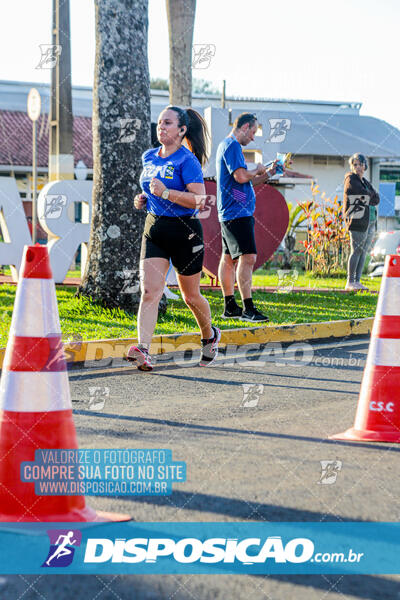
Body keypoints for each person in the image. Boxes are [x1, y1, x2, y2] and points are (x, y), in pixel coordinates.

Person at [126, 106, 220, 371]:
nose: (161, 127)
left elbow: (200, 200)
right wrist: (142, 199)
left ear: (181, 130)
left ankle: (209, 336)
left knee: (191, 296)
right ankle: (143, 349)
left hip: (184, 231)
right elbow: (149, 190)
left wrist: (167, 193)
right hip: (154, 228)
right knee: (149, 291)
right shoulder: (148, 157)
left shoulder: (186, 160)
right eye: (159, 123)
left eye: (167, 123)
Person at [216, 113, 277, 321]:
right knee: (248, 257)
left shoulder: (228, 147)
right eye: (252, 132)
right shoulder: (232, 146)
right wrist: (256, 168)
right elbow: (241, 176)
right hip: (237, 213)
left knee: (228, 259)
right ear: (243, 127)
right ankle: (248, 309)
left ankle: (230, 306)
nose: (252, 138)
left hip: (231, 211)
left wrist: (268, 173)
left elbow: (244, 184)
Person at [343, 153, 380, 291]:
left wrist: (366, 195)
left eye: (360, 164)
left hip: (369, 221)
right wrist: (367, 195)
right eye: (355, 164)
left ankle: (357, 282)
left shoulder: (364, 181)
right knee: (356, 250)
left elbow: (376, 198)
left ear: (365, 166)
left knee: (363, 252)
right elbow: (359, 192)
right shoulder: (350, 179)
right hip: (357, 220)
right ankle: (350, 282)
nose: (358, 167)